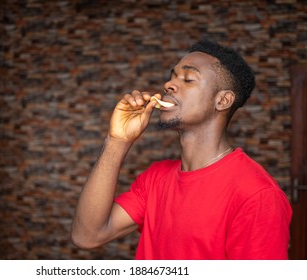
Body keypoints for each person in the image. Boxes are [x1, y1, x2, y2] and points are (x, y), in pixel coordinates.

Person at [71, 40, 292, 260]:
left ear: (223, 100)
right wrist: (117, 140)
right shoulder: (155, 179)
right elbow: (87, 236)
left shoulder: (258, 195)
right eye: (172, 76)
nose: (168, 85)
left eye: (188, 79)